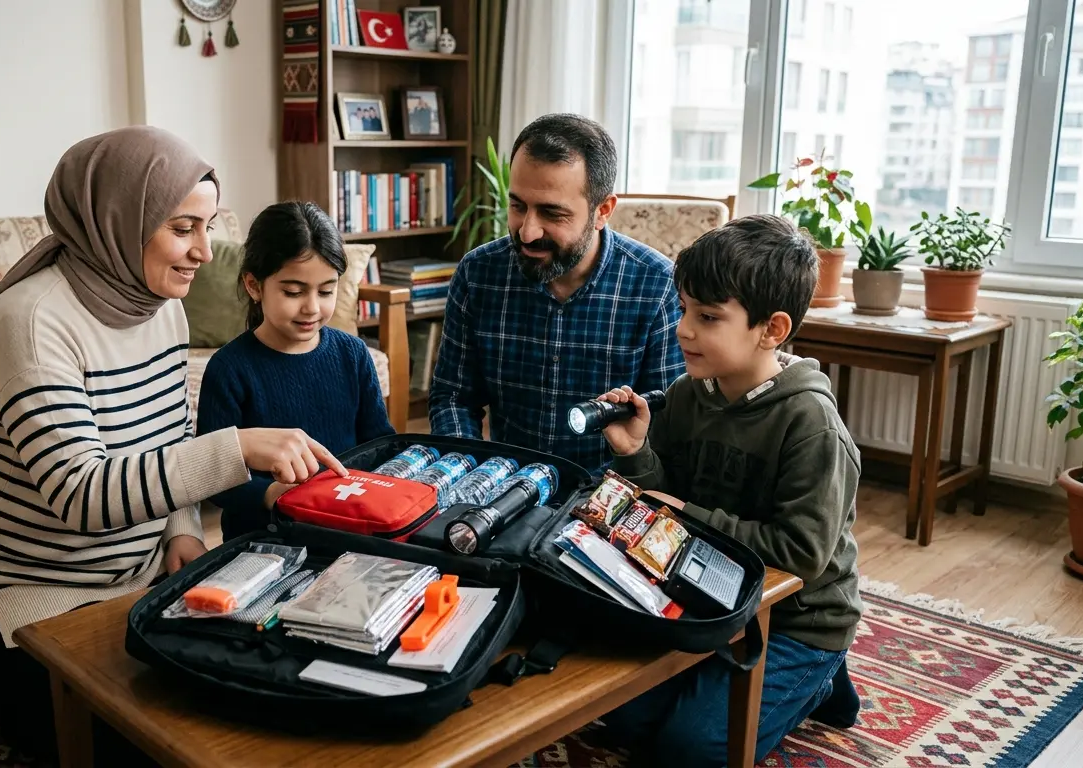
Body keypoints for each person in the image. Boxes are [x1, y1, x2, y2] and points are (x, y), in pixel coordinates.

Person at [0, 126, 346, 756]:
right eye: (183, 228)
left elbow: (167, 436)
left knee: (240, 695)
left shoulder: (160, 306)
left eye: (207, 227)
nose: (203, 251)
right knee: (131, 748)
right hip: (19, 589)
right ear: (117, 220)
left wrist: (181, 529)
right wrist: (237, 448)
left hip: (137, 569)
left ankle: (8, 691)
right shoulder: (32, 322)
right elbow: (80, 495)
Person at [592, 214, 863, 765]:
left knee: (689, 752)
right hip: (711, 599)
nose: (683, 329)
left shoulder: (811, 424)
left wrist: (688, 515)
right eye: (684, 309)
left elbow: (801, 553)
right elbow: (660, 507)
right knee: (620, 716)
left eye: (709, 317)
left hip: (795, 622)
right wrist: (636, 453)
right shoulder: (686, 394)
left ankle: (820, 679)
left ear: (772, 329)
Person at [428, 113, 685, 472]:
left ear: (603, 211)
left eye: (552, 213)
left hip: (609, 490)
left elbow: (667, 426)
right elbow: (453, 398)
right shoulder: (478, 274)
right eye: (518, 206)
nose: (528, 232)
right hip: (502, 483)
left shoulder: (657, 287)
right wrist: (473, 475)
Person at [198, 201, 394, 540]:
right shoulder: (229, 369)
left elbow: (380, 443)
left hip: (347, 526)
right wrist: (270, 494)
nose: (312, 307)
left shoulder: (353, 354)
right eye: (293, 292)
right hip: (264, 536)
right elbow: (213, 476)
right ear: (254, 286)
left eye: (326, 291)